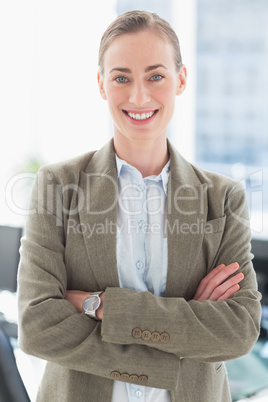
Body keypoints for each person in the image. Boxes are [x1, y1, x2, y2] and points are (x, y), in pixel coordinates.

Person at [17, 10, 262, 402]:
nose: (139, 96)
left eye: (155, 76)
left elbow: (238, 329)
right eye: (121, 78)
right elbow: (37, 325)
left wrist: (102, 306)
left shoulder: (223, 198)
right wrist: (180, 339)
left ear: (180, 79)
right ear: (101, 84)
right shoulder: (59, 186)